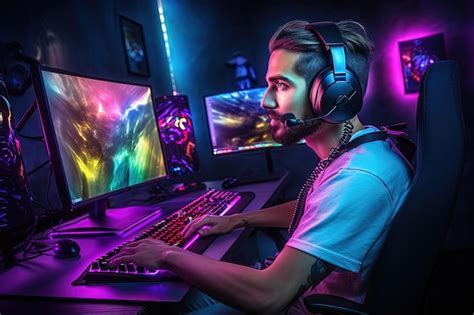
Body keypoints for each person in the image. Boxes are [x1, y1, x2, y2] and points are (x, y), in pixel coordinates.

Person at [110, 20, 412, 314]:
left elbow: (268, 297)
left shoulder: (358, 178)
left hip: (297, 303)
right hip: (300, 294)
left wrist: (167, 253)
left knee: (166, 301)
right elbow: (318, 207)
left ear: (332, 95)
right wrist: (240, 219)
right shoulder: (362, 150)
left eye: (280, 85)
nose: (264, 102)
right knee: (175, 294)